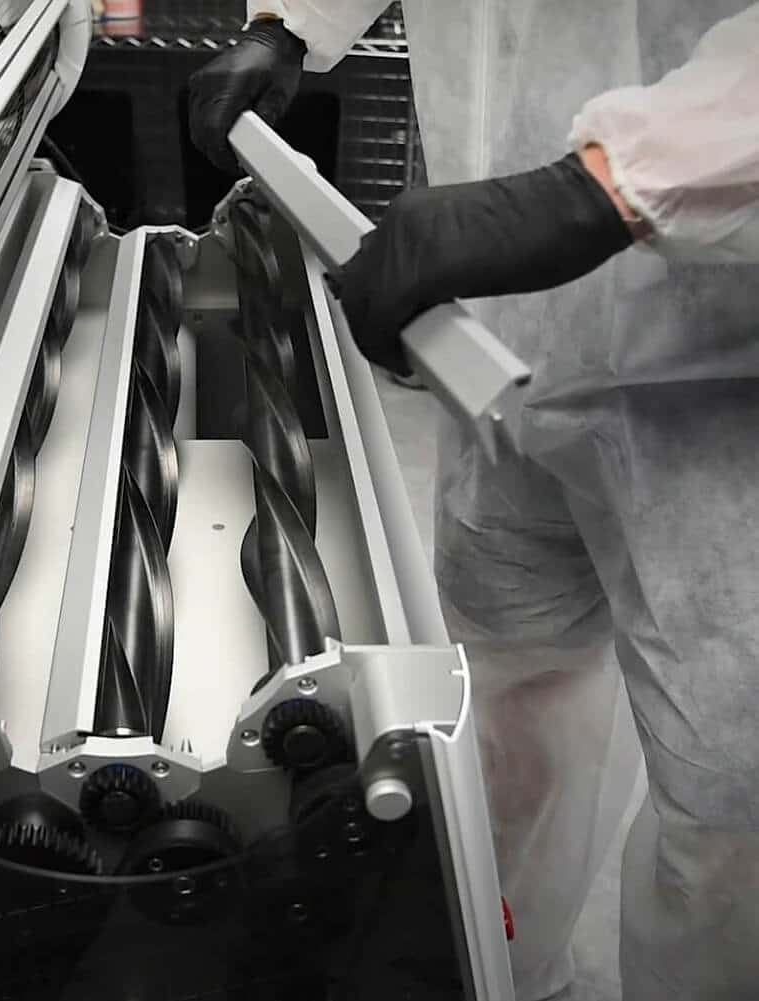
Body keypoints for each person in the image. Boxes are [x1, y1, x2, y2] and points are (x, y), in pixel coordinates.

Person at [189, 4, 759, 1000]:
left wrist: (611, 184)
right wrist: (291, 22)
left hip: (720, 356)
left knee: (731, 800)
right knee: (504, 689)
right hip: (500, 330)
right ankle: (506, 968)